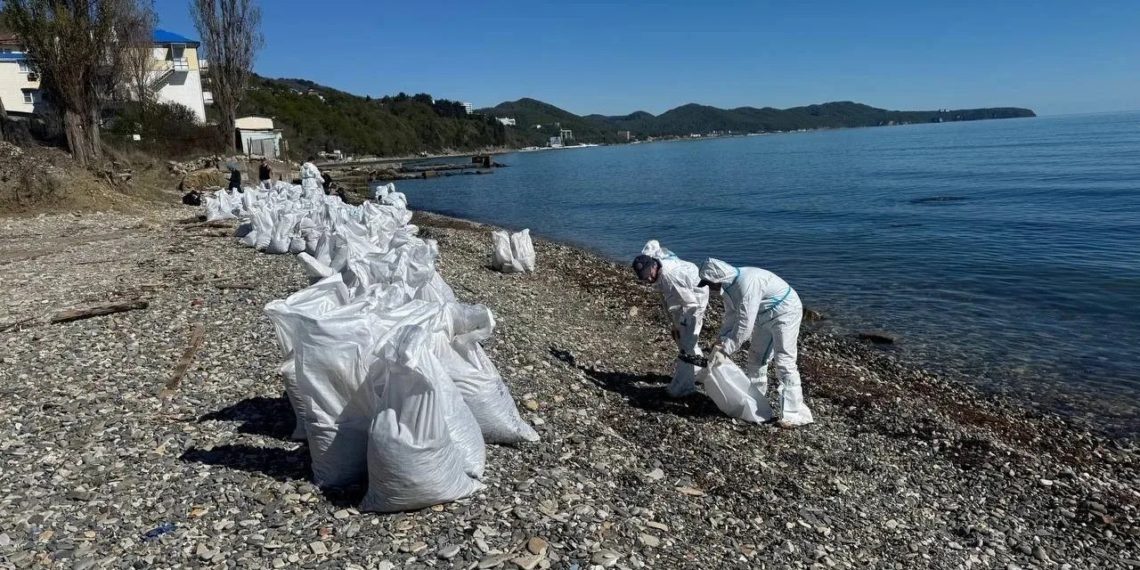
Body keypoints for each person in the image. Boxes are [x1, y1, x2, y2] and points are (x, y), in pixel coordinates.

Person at [699, 258, 813, 427]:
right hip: (764, 315)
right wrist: (721, 342)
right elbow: (731, 317)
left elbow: (744, 325)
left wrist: (727, 350)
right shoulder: (728, 288)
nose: (709, 287)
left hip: (785, 312)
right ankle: (756, 403)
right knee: (756, 357)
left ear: (718, 278)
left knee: (784, 360)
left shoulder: (747, 283)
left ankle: (794, 414)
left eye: (709, 283)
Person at [631, 240, 709, 397]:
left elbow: (689, 305)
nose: (648, 280)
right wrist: (674, 325)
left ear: (654, 266)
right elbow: (653, 243)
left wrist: (681, 326)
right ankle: (700, 372)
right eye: (644, 278)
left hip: (696, 297)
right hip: (682, 295)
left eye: (649, 276)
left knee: (686, 343)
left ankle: (685, 387)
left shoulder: (671, 278)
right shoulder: (653, 260)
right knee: (681, 338)